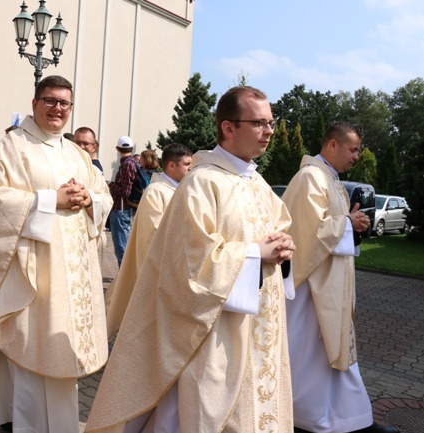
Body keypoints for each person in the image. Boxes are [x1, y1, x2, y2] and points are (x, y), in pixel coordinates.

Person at [86, 86, 296, 433]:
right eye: (259, 123)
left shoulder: (257, 183)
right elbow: (190, 263)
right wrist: (257, 253)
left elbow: (278, 229)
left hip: (260, 325)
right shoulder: (202, 183)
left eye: (270, 123)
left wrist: (285, 245)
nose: (269, 131)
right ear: (229, 128)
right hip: (212, 330)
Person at [0, 75, 112, 432]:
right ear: (35, 103)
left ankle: (23, 418)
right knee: (29, 344)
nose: (58, 109)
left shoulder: (76, 152)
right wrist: (49, 200)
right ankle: (22, 422)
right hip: (33, 268)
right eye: (50, 101)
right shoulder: (14, 146)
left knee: (55, 346)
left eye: (65, 103)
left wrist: (90, 199)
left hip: (72, 273)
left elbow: (102, 193)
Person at [282, 122, 401, 433]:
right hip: (312, 289)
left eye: (358, 150)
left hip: (329, 283)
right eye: (353, 149)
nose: (357, 156)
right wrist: (347, 222)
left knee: (330, 356)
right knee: (312, 356)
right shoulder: (310, 178)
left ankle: (346, 418)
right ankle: (308, 418)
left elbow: (331, 227)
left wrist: (352, 224)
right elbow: (309, 234)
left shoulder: (329, 179)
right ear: (331, 145)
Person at [104, 143, 192, 337]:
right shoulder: (156, 191)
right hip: (160, 267)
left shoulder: (182, 190)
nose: (190, 168)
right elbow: (154, 231)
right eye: (186, 164)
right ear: (171, 165)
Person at [108, 136, 138, 266]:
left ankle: (125, 281)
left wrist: (111, 184)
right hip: (126, 210)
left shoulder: (126, 165)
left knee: (121, 247)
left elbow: (125, 191)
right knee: (124, 246)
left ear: (117, 149)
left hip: (121, 209)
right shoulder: (134, 163)